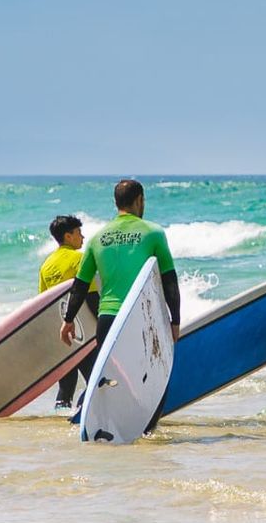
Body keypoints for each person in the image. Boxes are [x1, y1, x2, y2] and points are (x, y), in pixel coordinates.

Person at [61, 179, 180, 433]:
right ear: (140, 200)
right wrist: (175, 320)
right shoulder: (153, 232)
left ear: (116, 203)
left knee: (115, 381)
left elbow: (80, 285)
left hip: (108, 319)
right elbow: (169, 279)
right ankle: (145, 431)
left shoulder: (97, 238)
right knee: (153, 379)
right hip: (140, 318)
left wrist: (68, 319)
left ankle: (112, 430)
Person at [38, 214, 99, 413]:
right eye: (79, 233)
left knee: (66, 384)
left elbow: (44, 303)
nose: (82, 237)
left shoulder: (46, 266)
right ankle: (90, 415)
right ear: (68, 236)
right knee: (95, 378)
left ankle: (61, 420)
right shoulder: (79, 259)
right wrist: (103, 326)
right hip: (83, 331)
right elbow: (90, 297)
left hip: (62, 334)